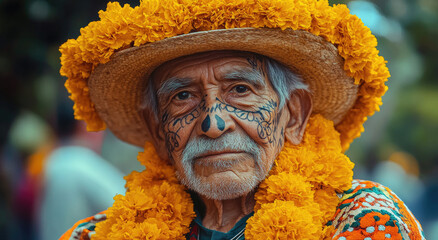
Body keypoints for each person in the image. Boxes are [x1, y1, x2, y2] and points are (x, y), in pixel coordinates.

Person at [58, 0, 425, 239]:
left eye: (240, 90)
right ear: (158, 131)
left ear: (294, 115)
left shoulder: (363, 218)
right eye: (183, 97)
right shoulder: (98, 235)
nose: (214, 124)